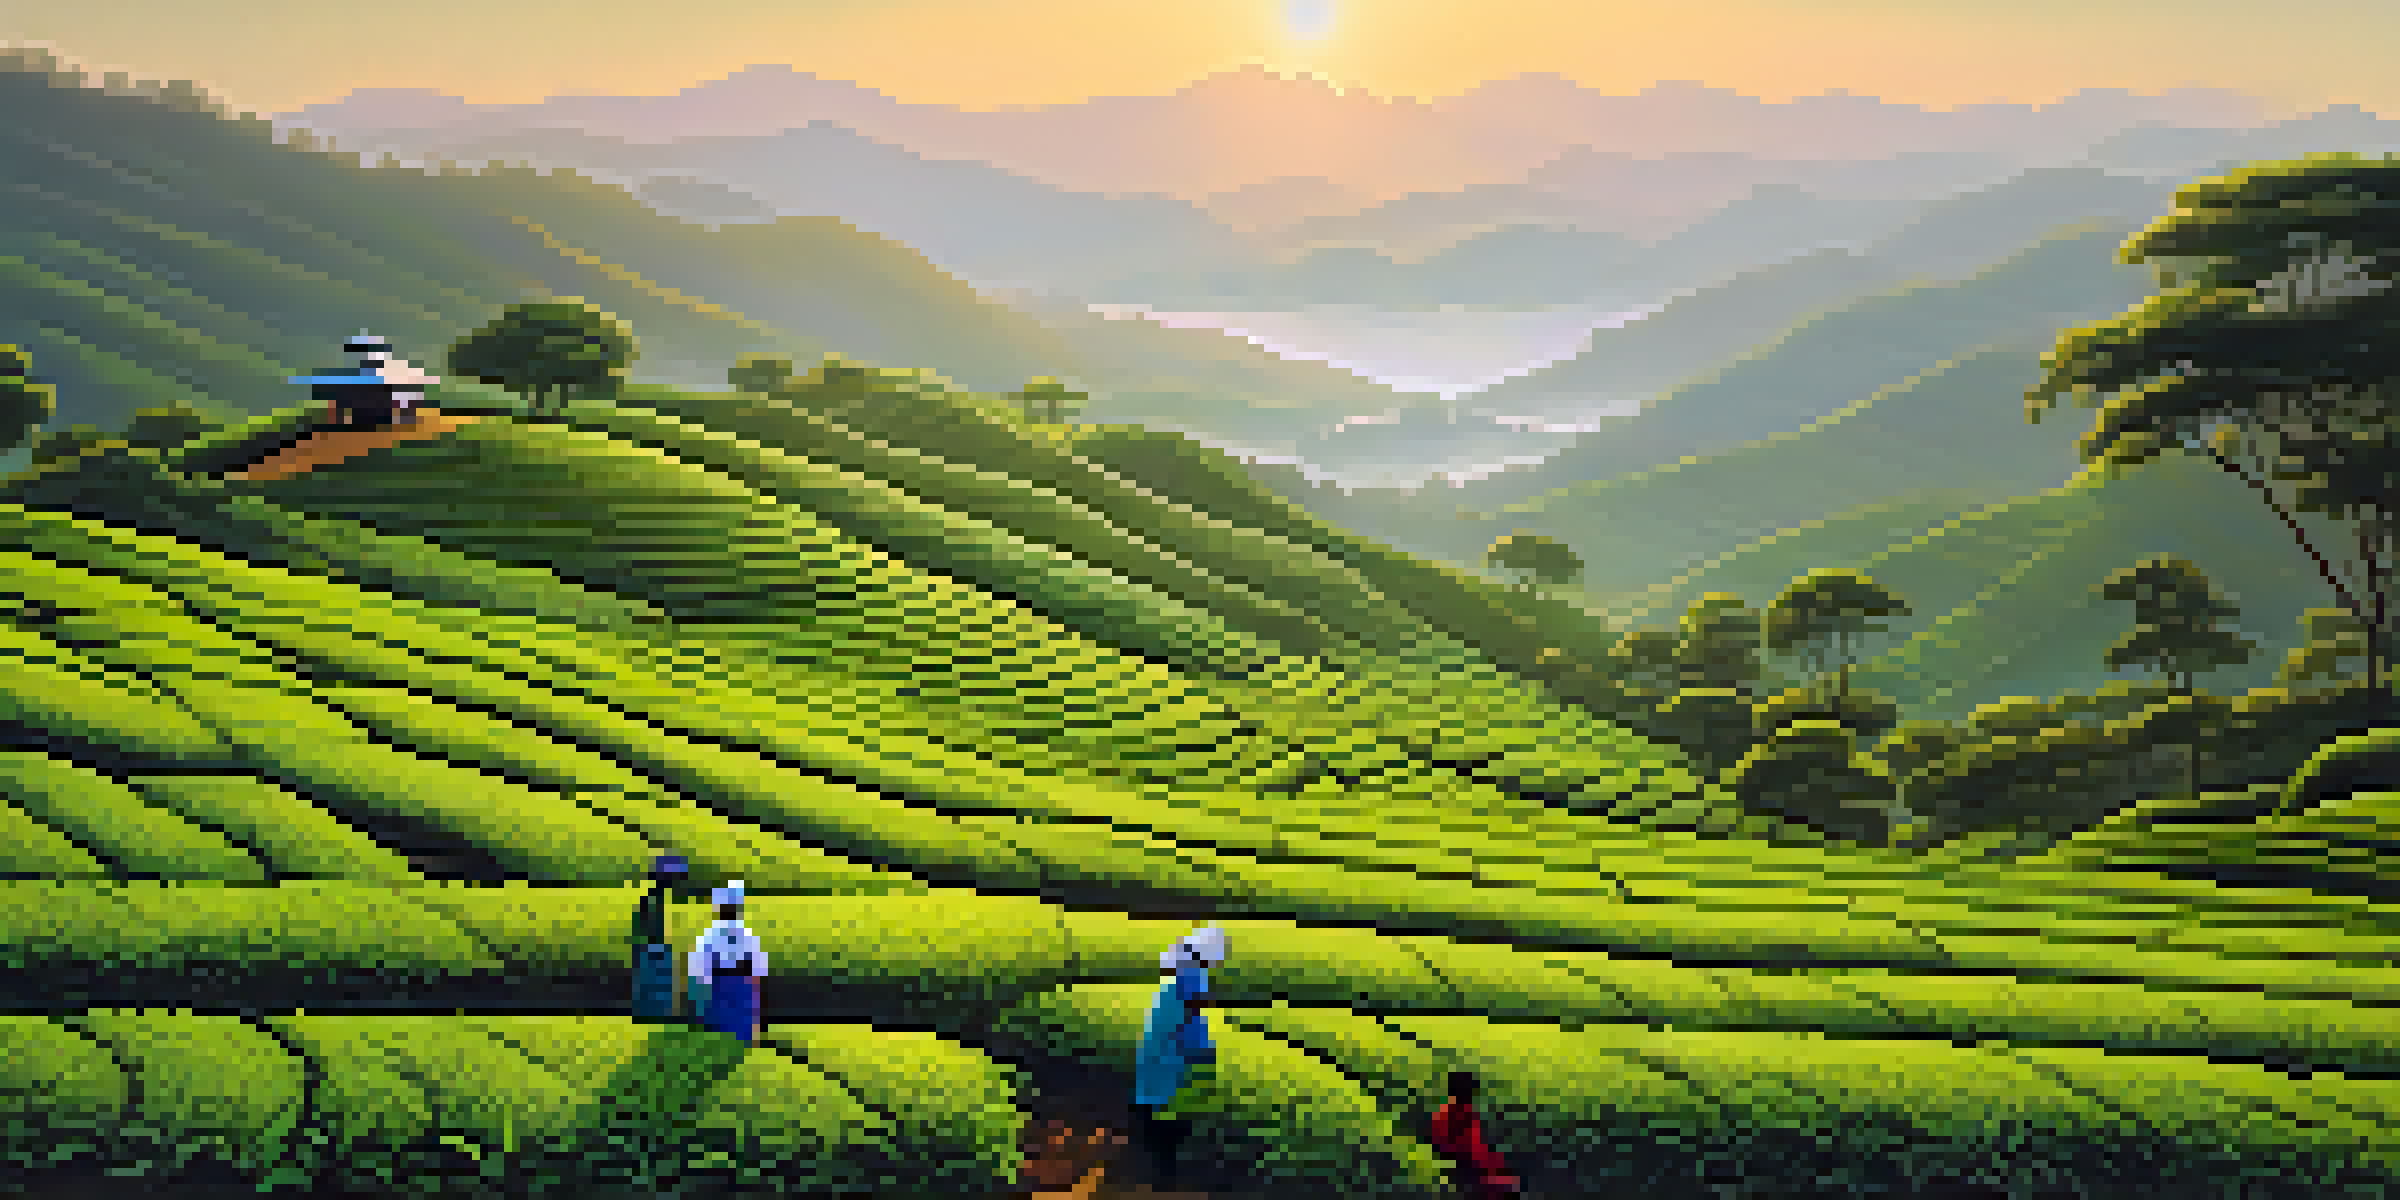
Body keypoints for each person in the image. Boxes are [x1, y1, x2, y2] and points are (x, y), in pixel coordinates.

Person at [1131, 925, 1228, 1188]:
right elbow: (1191, 1024)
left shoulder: (1175, 986)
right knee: (1168, 1119)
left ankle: (1160, 1168)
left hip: (1163, 1065)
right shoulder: (1188, 982)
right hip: (1169, 1066)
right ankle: (1164, 1174)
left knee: (1160, 1114)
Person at [687, 880, 767, 1044]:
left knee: (720, 1038)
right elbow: (758, 972)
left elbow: (698, 971)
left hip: (724, 992)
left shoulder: (710, 937)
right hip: (737, 992)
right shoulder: (748, 936)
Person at [1430, 1071, 1519, 1198]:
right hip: (1466, 1166)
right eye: (1471, 1090)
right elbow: (1469, 1149)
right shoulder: (1459, 1112)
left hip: (1466, 1162)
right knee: (1507, 1185)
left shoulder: (1448, 1110)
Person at [631, 852, 689, 1022]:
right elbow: (649, 933)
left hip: (653, 955)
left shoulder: (653, 899)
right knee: (655, 998)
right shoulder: (652, 901)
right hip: (653, 955)